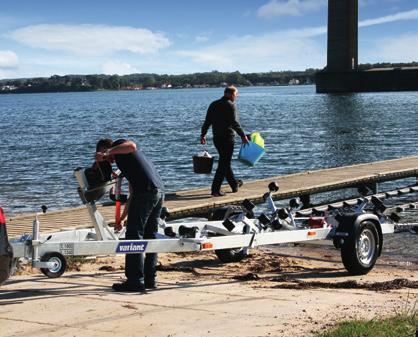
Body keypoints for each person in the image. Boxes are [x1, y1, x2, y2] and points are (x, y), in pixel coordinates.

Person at [95, 138, 164, 292]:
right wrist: (123, 218)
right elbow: (132, 194)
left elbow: (131, 145)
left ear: (108, 147)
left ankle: (134, 280)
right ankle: (149, 279)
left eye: (105, 154)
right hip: (156, 191)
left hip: (147, 192)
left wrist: (107, 152)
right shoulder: (127, 161)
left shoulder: (121, 147)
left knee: (134, 236)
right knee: (150, 235)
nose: (108, 159)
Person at [200, 86, 248, 197]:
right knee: (224, 163)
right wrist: (243, 135)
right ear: (231, 94)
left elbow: (207, 121)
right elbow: (234, 123)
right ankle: (215, 190)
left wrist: (203, 135)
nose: (237, 96)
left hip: (217, 138)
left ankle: (234, 185)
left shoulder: (213, 104)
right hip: (228, 138)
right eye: (236, 94)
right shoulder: (231, 105)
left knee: (225, 162)